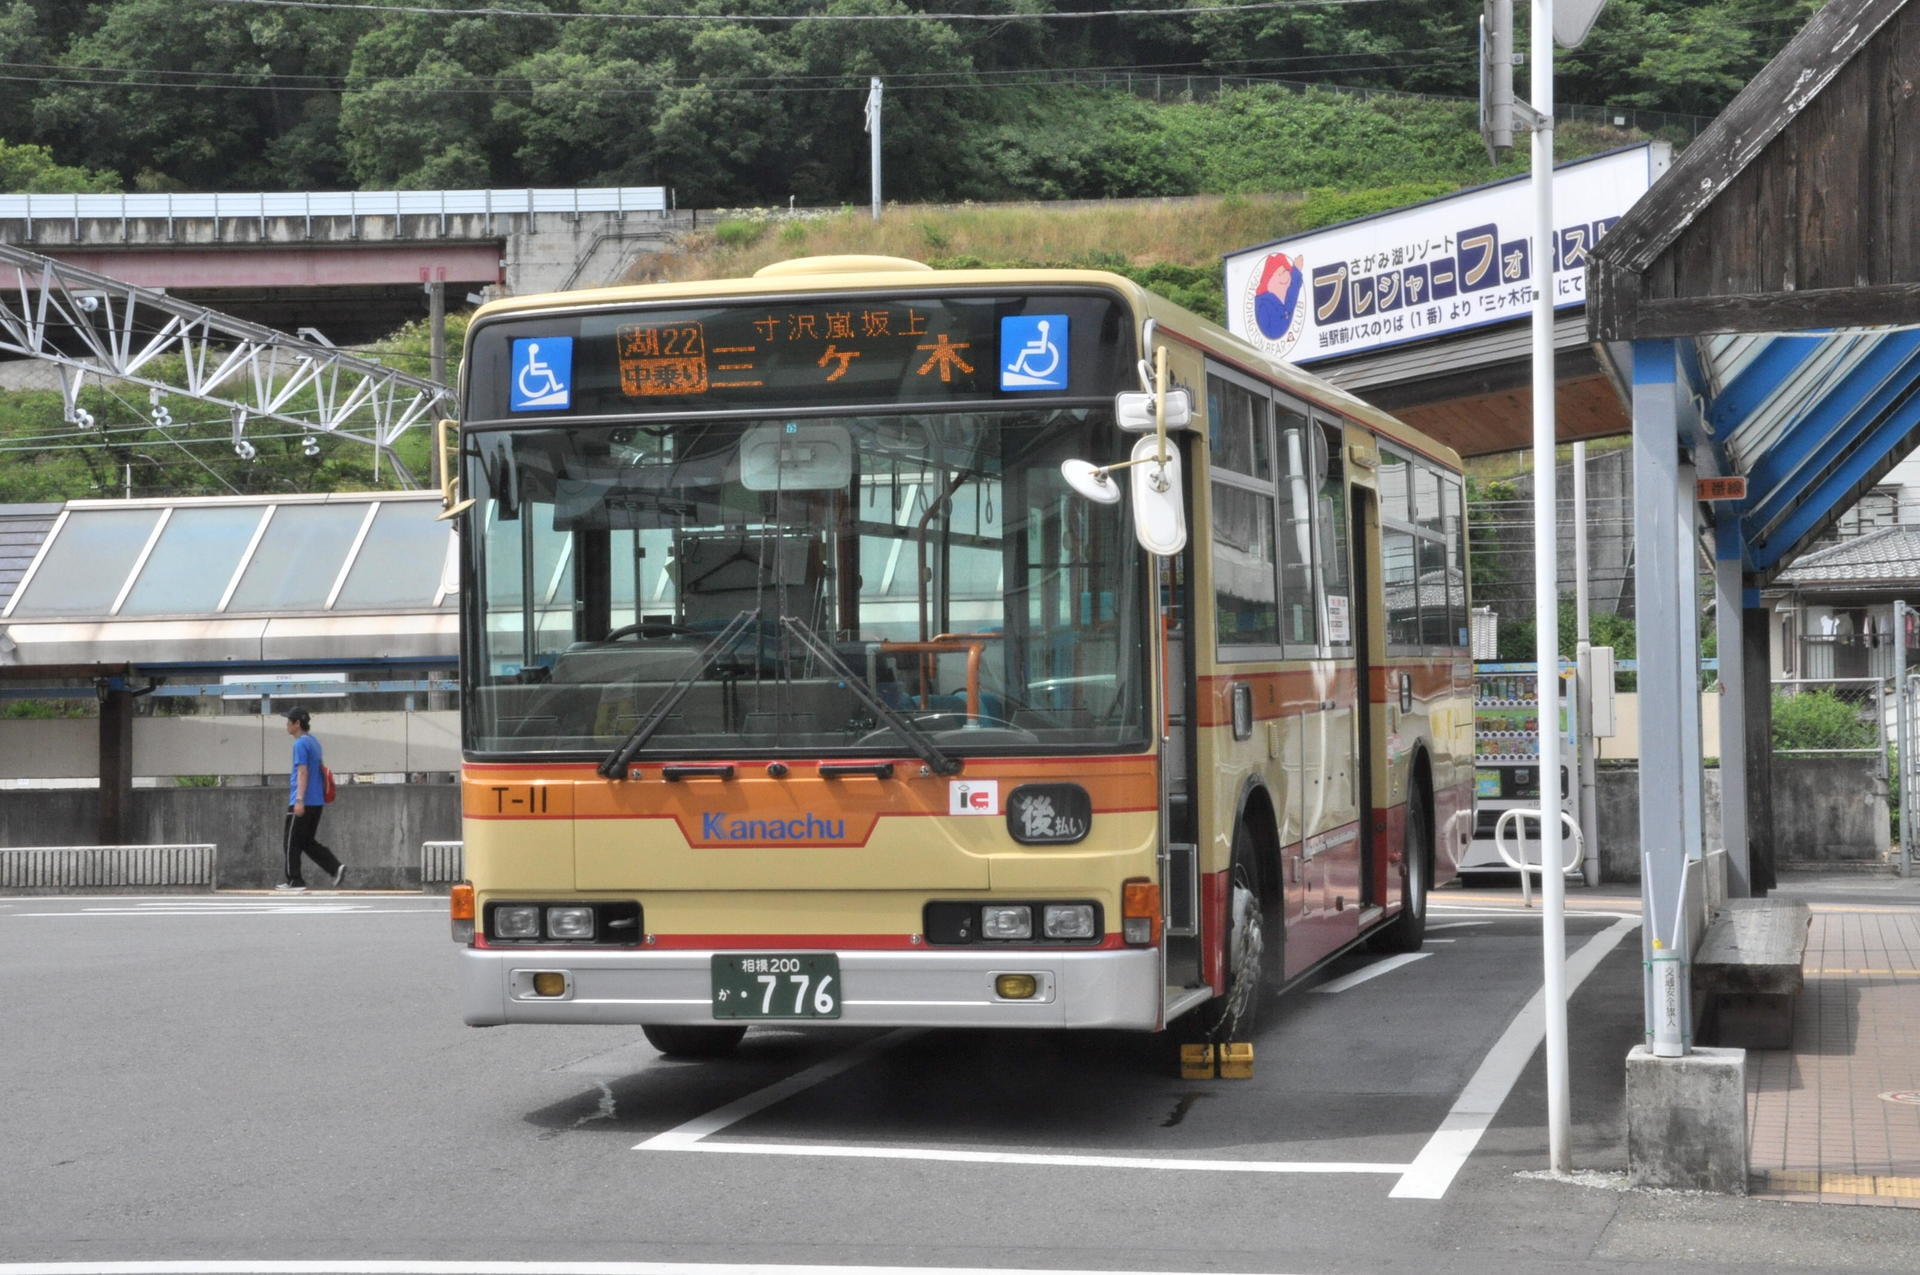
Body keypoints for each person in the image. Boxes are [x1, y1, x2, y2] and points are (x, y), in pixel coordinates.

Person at [276, 707, 345, 892]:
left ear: (297, 724)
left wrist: (299, 800)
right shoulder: (315, 742)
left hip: (302, 800)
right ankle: (334, 867)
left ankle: (294, 881)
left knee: (290, 841)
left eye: (289, 720)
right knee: (306, 841)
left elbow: (303, 771)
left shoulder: (299, 744)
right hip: (317, 801)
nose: (286, 724)